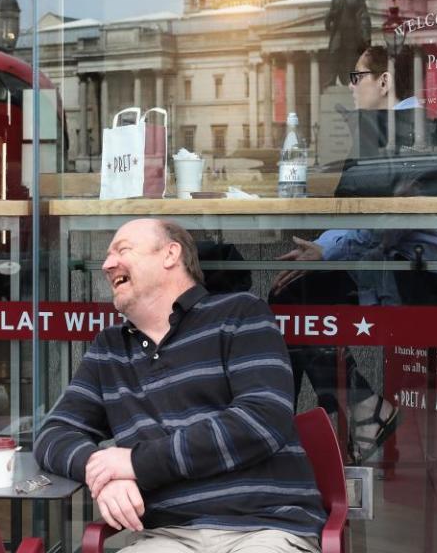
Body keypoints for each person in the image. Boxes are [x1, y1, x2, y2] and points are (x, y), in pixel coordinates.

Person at [34, 219, 324, 553]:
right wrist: (100, 473)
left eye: (122, 250)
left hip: (263, 527)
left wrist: (135, 463)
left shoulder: (240, 314)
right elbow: (53, 434)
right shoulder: (109, 349)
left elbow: (262, 420)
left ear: (171, 254)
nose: (107, 264)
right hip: (166, 537)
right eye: (107, 255)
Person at [270, 45, 437, 477]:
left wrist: (326, 249)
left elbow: (382, 222)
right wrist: (326, 247)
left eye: (356, 76)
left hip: (422, 276)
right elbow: (377, 217)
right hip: (413, 265)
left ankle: (328, 428)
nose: (350, 87)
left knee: (292, 301)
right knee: (293, 298)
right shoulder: (411, 129)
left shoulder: (405, 133)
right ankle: (346, 421)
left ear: (384, 82)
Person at [324, 0, 371, 86]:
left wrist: (365, 35)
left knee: (351, 57)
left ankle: (351, 80)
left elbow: (364, 18)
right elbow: (330, 14)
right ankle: (332, 78)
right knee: (334, 53)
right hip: (338, 33)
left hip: (352, 33)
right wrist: (327, 22)